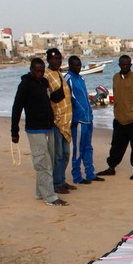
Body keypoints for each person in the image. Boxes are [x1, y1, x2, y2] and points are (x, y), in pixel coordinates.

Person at [11, 58, 68, 206]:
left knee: (49, 160)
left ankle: (40, 192)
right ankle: (50, 196)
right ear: (31, 69)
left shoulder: (44, 83)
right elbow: (17, 107)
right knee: (43, 163)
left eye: (42, 71)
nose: (40, 73)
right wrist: (14, 130)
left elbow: (50, 99)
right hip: (35, 129)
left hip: (48, 127)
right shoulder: (25, 84)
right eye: (37, 71)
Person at [97, 54, 133, 180]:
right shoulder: (115, 78)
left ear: (130, 65)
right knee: (116, 146)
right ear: (119, 64)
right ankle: (111, 167)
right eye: (122, 64)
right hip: (119, 119)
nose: (125, 66)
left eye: (127, 64)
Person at [64, 56, 104, 184]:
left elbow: (84, 98)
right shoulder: (68, 79)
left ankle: (90, 173)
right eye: (76, 65)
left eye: (79, 65)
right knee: (78, 149)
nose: (78, 67)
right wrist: (74, 118)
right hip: (79, 121)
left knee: (88, 147)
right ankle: (77, 176)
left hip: (88, 119)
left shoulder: (81, 78)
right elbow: (68, 100)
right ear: (70, 65)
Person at [44, 48, 75, 195]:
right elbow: (47, 97)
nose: (57, 61)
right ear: (48, 60)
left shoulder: (60, 73)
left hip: (66, 120)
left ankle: (62, 180)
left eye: (59, 59)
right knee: (58, 155)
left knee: (66, 153)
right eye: (54, 59)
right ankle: (56, 183)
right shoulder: (46, 75)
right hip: (56, 121)